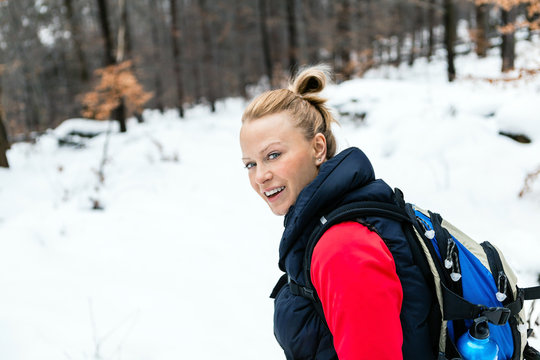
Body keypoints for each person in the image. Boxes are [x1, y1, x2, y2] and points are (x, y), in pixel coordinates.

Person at [239, 66, 437, 360]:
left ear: (318, 148)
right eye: (250, 164)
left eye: (273, 155)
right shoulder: (324, 226)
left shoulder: (343, 247)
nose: (260, 177)